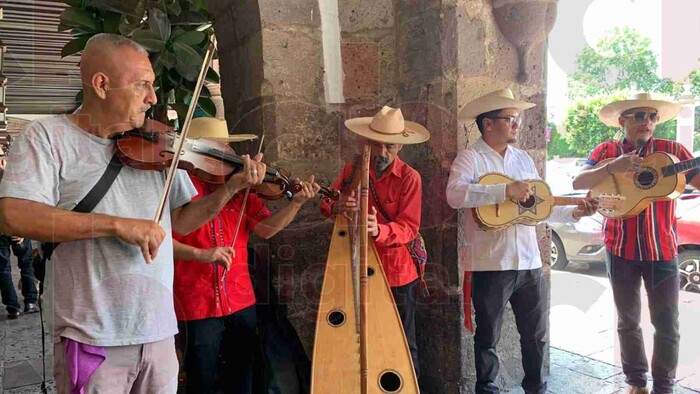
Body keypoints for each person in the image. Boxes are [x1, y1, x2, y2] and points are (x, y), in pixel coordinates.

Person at [0, 33, 267, 394]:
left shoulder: (156, 147)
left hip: (158, 332)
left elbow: (184, 220)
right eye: (142, 84)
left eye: (153, 86)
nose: (152, 98)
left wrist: (232, 189)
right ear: (101, 84)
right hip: (93, 335)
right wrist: (115, 225)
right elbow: (13, 215)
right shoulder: (47, 137)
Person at [445, 88, 598, 394]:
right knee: (487, 338)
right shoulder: (470, 158)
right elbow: (454, 195)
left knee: (537, 335)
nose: (517, 125)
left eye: (518, 119)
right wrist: (503, 191)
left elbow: (536, 210)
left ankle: (537, 390)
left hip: (529, 263)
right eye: (510, 119)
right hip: (490, 264)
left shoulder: (523, 159)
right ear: (488, 124)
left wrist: (575, 214)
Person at [171, 117, 320, 394]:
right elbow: (167, 237)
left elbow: (265, 230)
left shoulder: (240, 186)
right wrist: (199, 253)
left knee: (242, 380)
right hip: (195, 301)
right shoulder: (180, 185)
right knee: (201, 380)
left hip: (240, 300)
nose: (225, 154)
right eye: (216, 148)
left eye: (226, 147)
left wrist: (295, 205)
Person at [572, 93, 700, 394]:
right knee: (627, 322)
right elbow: (579, 182)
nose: (648, 122)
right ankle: (636, 382)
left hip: (663, 250)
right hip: (620, 249)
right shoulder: (606, 150)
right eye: (640, 115)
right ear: (623, 121)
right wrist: (612, 167)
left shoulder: (672, 151)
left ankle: (664, 387)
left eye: (652, 116)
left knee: (667, 325)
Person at [320, 106, 430, 377]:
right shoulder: (351, 171)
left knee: (403, 340)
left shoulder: (410, 178)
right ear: (364, 143)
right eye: (375, 145)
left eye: (389, 147)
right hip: (356, 267)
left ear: (399, 147)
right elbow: (326, 202)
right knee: (360, 336)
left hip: (396, 273)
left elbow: (409, 228)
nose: (382, 153)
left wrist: (378, 230)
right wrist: (338, 207)